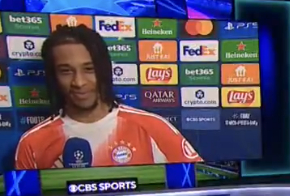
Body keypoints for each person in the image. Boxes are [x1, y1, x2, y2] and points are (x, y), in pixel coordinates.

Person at [14, 25, 202, 169]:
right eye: (66, 71)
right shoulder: (32, 143)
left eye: (89, 69)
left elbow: (202, 184)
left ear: (104, 70)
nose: (79, 82)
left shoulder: (152, 127)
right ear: (53, 76)